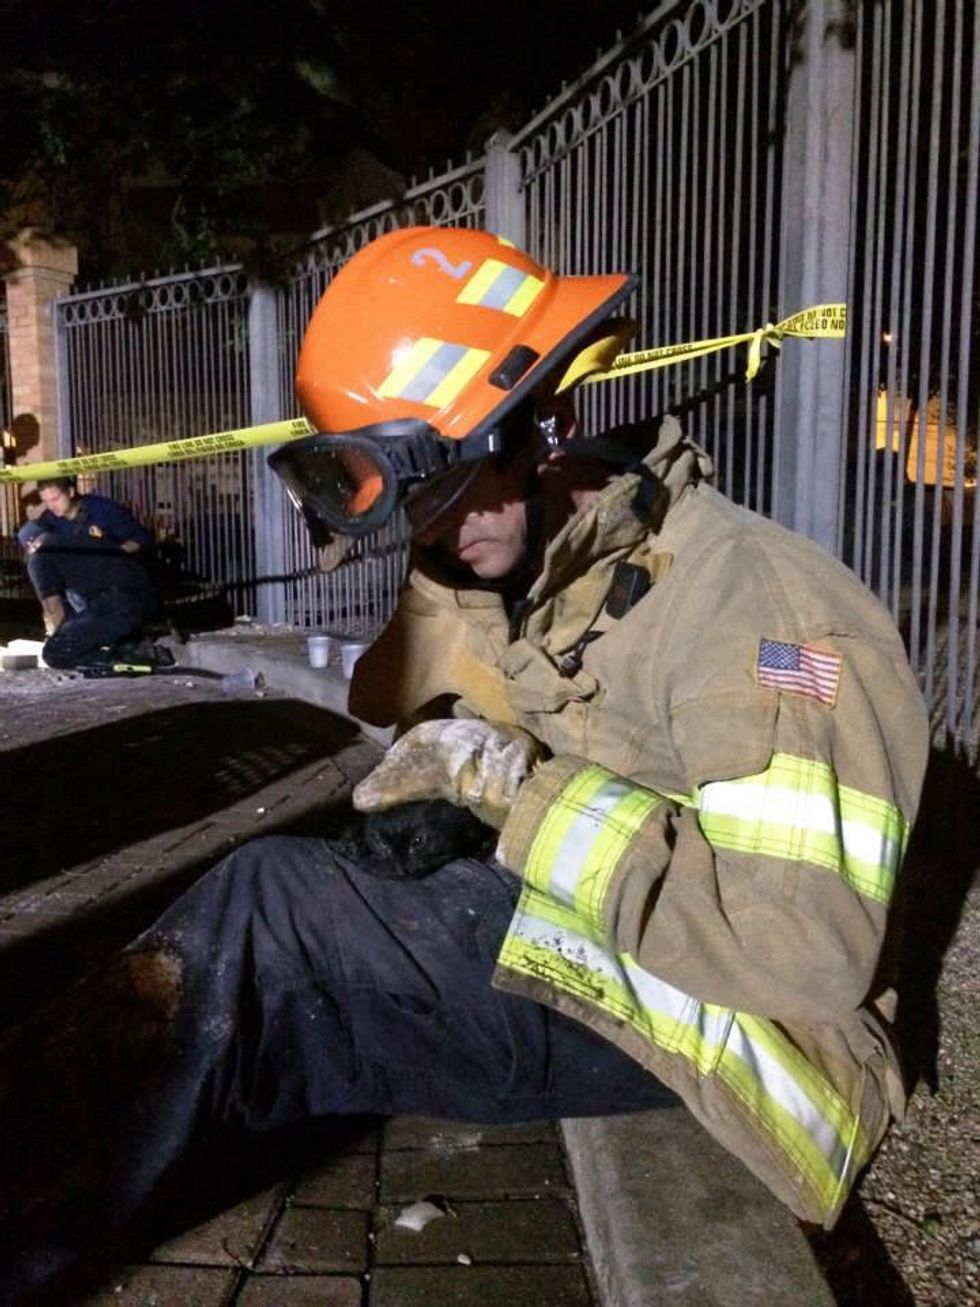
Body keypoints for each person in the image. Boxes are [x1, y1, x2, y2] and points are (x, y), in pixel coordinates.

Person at [0, 227, 929, 1300]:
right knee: (279, 926)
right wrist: (469, 786)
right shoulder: (545, 560)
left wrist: (511, 788)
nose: (424, 525)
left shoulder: (763, 613)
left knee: (272, 924)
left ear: (549, 425)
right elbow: (419, 705)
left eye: (437, 480)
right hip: (622, 953)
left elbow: (804, 952)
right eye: (394, 486)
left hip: (740, 1037)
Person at [16, 477, 171, 671]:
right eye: (46, 501)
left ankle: (128, 654)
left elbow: (140, 539)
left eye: (55, 499)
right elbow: (52, 605)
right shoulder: (50, 523)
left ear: (71, 492)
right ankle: (119, 647)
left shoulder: (102, 510)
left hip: (123, 589)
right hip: (95, 596)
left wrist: (111, 555)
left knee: (57, 652)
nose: (51, 506)